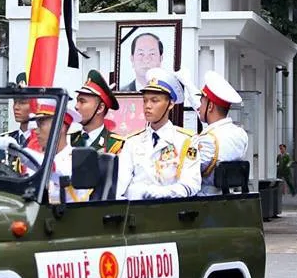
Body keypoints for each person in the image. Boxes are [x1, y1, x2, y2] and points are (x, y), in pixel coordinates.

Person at [115, 68, 201, 200]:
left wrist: (155, 193)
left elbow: (191, 184)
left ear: (170, 104)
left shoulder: (186, 141)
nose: (147, 106)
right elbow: (119, 185)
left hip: (171, 212)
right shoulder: (132, 142)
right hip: (135, 213)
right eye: (145, 100)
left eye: (154, 101)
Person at [193, 71, 249, 196]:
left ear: (210, 106)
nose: (198, 107)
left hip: (204, 200)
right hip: (228, 198)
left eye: (201, 102)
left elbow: (190, 172)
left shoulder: (208, 140)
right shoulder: (240, 135)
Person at [22, 103, 89, 203]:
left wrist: (21, 153)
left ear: (60, 126)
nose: (36, 131)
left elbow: (57, 172)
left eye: (41, 124)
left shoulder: (77, 160)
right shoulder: (37, 160)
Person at [72, 69, 124, 154]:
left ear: (100, 108)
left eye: (82, 101)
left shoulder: (115, 145)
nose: (76, 106)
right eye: (77, 101)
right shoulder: (69, 139)